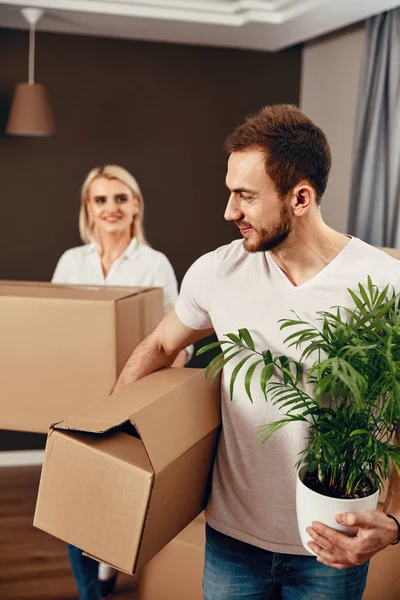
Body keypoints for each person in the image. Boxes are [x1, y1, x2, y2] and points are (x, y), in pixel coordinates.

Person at [113, 105, 400, 600]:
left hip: (331, 544)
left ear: (301, 197)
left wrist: (394, 520)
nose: (229, 211)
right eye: (230, 192)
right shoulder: (215, 272)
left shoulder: (384, 283)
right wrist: (108, 439)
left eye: (245, 196)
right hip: (232, 540)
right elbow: (160, 345)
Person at [52, 164, 190, 600]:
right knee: (73, 500)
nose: (110, 208)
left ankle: (109, 567)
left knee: (117, 498)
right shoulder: (71, 263)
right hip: (77, 399)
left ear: (136, 207)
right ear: (87, 210)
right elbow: (51, 332)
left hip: (133, 402)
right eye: (100, 200)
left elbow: (178, 343)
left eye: (120, 198)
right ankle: (90, 592)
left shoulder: (154, 265)